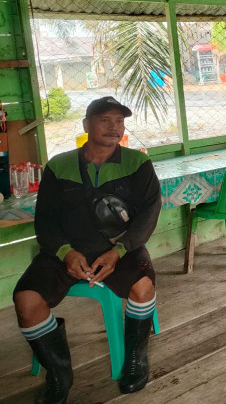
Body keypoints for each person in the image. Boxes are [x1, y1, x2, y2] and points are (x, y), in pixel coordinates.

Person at [14, 97, 161, 404]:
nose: (114, 127)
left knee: (144, 287)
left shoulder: (138, 163)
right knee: (27, 301)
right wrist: (65, 252)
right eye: (105, 120)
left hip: (121, 249)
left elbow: (149, 213)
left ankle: (135, 358)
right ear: (86, 125)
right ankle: (59, 373)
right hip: (64, 252)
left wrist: (120, 250)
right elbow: (46, 221)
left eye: (119, 122)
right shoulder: (59, 165)